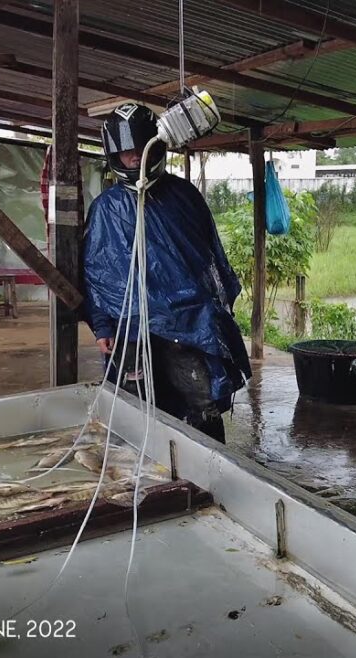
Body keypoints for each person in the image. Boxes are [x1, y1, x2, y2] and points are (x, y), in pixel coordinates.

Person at [81, 103, 251, 443]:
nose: (133, 159)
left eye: (138, 151)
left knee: (201, 407)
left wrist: (213, 313)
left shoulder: (184, 196)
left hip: (189, 326)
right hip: (131, 329)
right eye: (125, 153)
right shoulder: (106, 209)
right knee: (135, 410)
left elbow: (209, 259)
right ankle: (145, 480)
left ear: (156, 148)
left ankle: (210, 475)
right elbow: (97, 273)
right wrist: (102, 324)